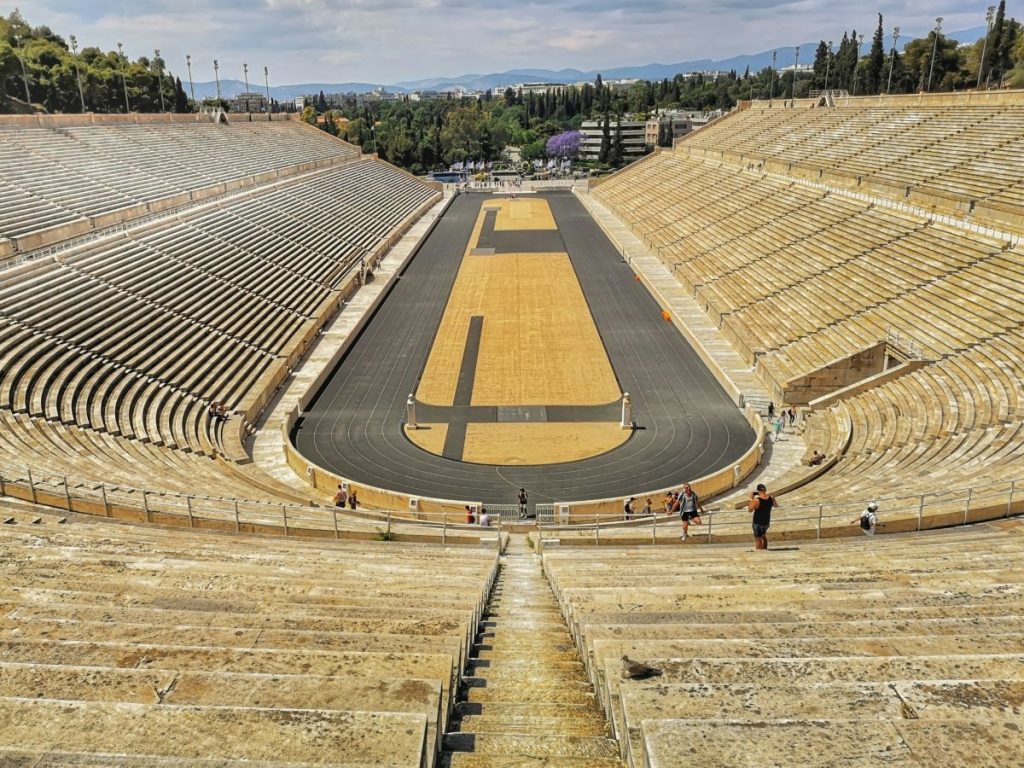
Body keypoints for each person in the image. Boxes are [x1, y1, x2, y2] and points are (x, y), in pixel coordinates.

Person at [749, 483, 777, 550]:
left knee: (758, 538)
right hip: (766, 522)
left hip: (757, 522)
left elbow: (750, 510)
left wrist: (751, 499)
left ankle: (760, 552)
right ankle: (765, 548)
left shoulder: (756, 500)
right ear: (765, 490)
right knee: (763, 535)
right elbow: (776, 505)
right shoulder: (771, 498)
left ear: (758, 491)